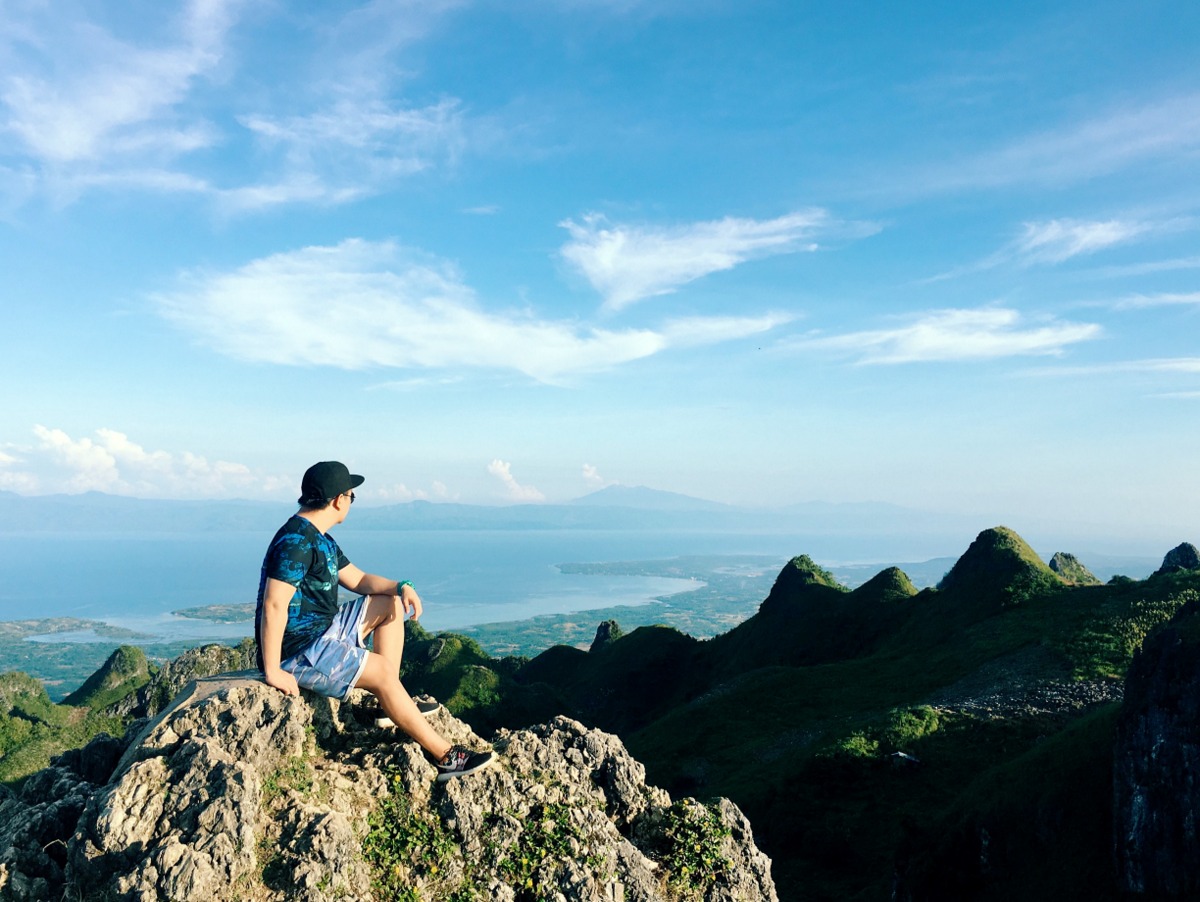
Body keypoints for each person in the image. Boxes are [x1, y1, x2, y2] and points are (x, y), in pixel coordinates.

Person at [255, 460, 495, 780]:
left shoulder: (320, 538)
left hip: (325, 631)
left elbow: (359, 580)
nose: (351, 503)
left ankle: (387, 704)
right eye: (351, 496)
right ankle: (446, 757)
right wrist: (272, 669)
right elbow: (274, 605)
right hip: (301, 651)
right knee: (382, 672)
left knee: (388, 604)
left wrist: (401, 587)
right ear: (339, 499)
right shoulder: (295, 542)